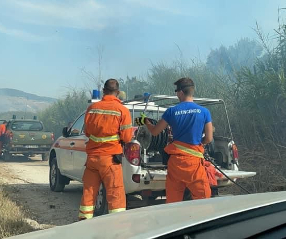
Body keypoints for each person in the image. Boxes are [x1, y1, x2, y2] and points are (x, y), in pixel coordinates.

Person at [136, 77, 213, 203]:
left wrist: (146, 122)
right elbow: (209, 138)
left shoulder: (172, 111)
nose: (176, 94)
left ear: (181, 92)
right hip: (194, 164)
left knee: (173, 202)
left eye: (177, 92)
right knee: (203, 201)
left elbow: (155, 132)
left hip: (176, 163)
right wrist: (200, 144)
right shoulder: (204, 112)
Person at [79, 79, 133, 220]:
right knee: (115, 194)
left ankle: (84, 224)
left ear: (104, 91)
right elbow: (127, 137)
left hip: (92, 159)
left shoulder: (92, 108)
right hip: (110, 161)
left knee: (89, 193)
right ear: (118, 93)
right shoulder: (122, 110)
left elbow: (87, 133)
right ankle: (117, 227)